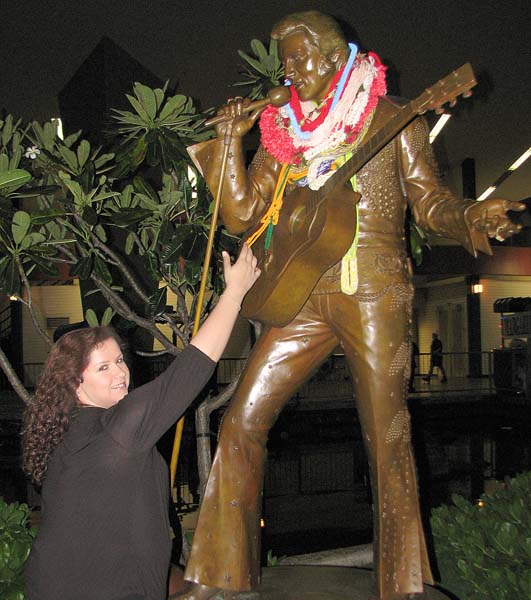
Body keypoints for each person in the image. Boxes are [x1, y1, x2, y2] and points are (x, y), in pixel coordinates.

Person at [181, 11, 523, 600]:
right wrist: (231, 146)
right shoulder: (282, 134)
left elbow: (430, 203)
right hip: (302, 292)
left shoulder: (393, 119)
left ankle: (404, 587)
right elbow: (238, 216)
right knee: (240, 421)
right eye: (284, 60)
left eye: (298, 57)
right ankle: (221, 577)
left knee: (387, 434)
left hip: (375, 290)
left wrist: (468, 215)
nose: (288, 69)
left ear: (335, 58)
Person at [22, 245, 260, 600]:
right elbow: (191, 370)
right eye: (103, 367)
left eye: (120, 360)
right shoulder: (118, 430)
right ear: (75, 383)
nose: (121, 373)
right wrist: (234, 294)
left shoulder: (65, 429)